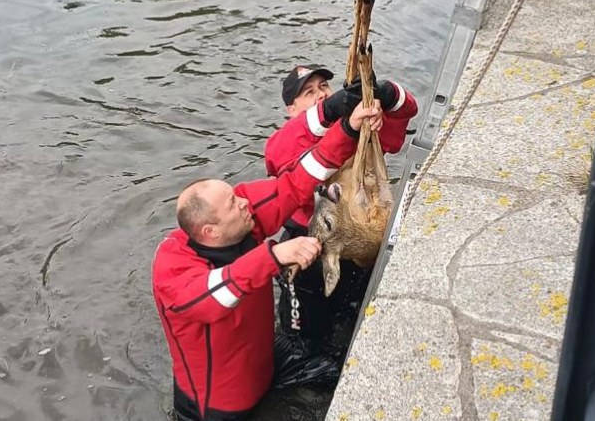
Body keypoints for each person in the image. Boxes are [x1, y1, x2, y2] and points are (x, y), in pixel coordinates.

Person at [152, 95, 382, 421]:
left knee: (340, 364)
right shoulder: (171, 266)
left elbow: (297, 183)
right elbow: (209, 296)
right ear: (209, 232)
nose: (243, 202)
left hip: (265, 365)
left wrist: (344, 124)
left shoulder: (241, 221)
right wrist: (273, 256)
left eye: (235, 196)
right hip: (216, 412)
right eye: (232, 204)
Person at [265, 64, 419, 375]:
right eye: (309, 93)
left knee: (350, 309)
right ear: (291, 110)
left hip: (354, 237)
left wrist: (386, 95)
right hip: (308, 241)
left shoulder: (355, 126)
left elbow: (403, 120)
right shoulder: (289, 139)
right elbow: (277, 154)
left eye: (324, 86)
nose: (321, 93)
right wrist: (334, 115)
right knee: (303, 334)